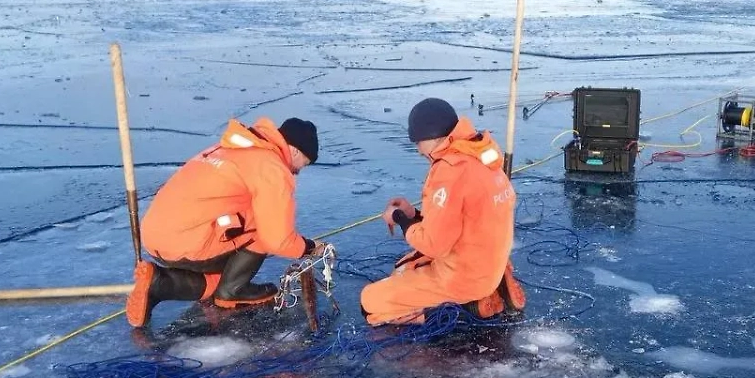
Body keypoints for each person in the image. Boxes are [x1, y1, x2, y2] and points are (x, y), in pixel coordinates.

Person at [126, 116, 329, 328]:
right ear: (295, 150)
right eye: (302, 165)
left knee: (218, 277)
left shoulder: (231, 149)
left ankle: (159, 283)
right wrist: (308, 247)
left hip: (155, 236)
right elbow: (276, 239)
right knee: (262, 228)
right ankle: (233, 290)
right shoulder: (271, 167)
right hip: (187, 241)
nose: (297, 171)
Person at [360, 98, 525, 325]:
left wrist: (399, 218)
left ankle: (464, 307)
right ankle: (489, 286)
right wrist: (414, 215)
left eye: (417, 142)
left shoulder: (449, 170)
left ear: (430, 137)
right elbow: (458, 218)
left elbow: (433, 244)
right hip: (487, 264)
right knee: (404, 266)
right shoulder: (482, 155)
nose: (417, 150)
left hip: (463, 277)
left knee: (369, 303)